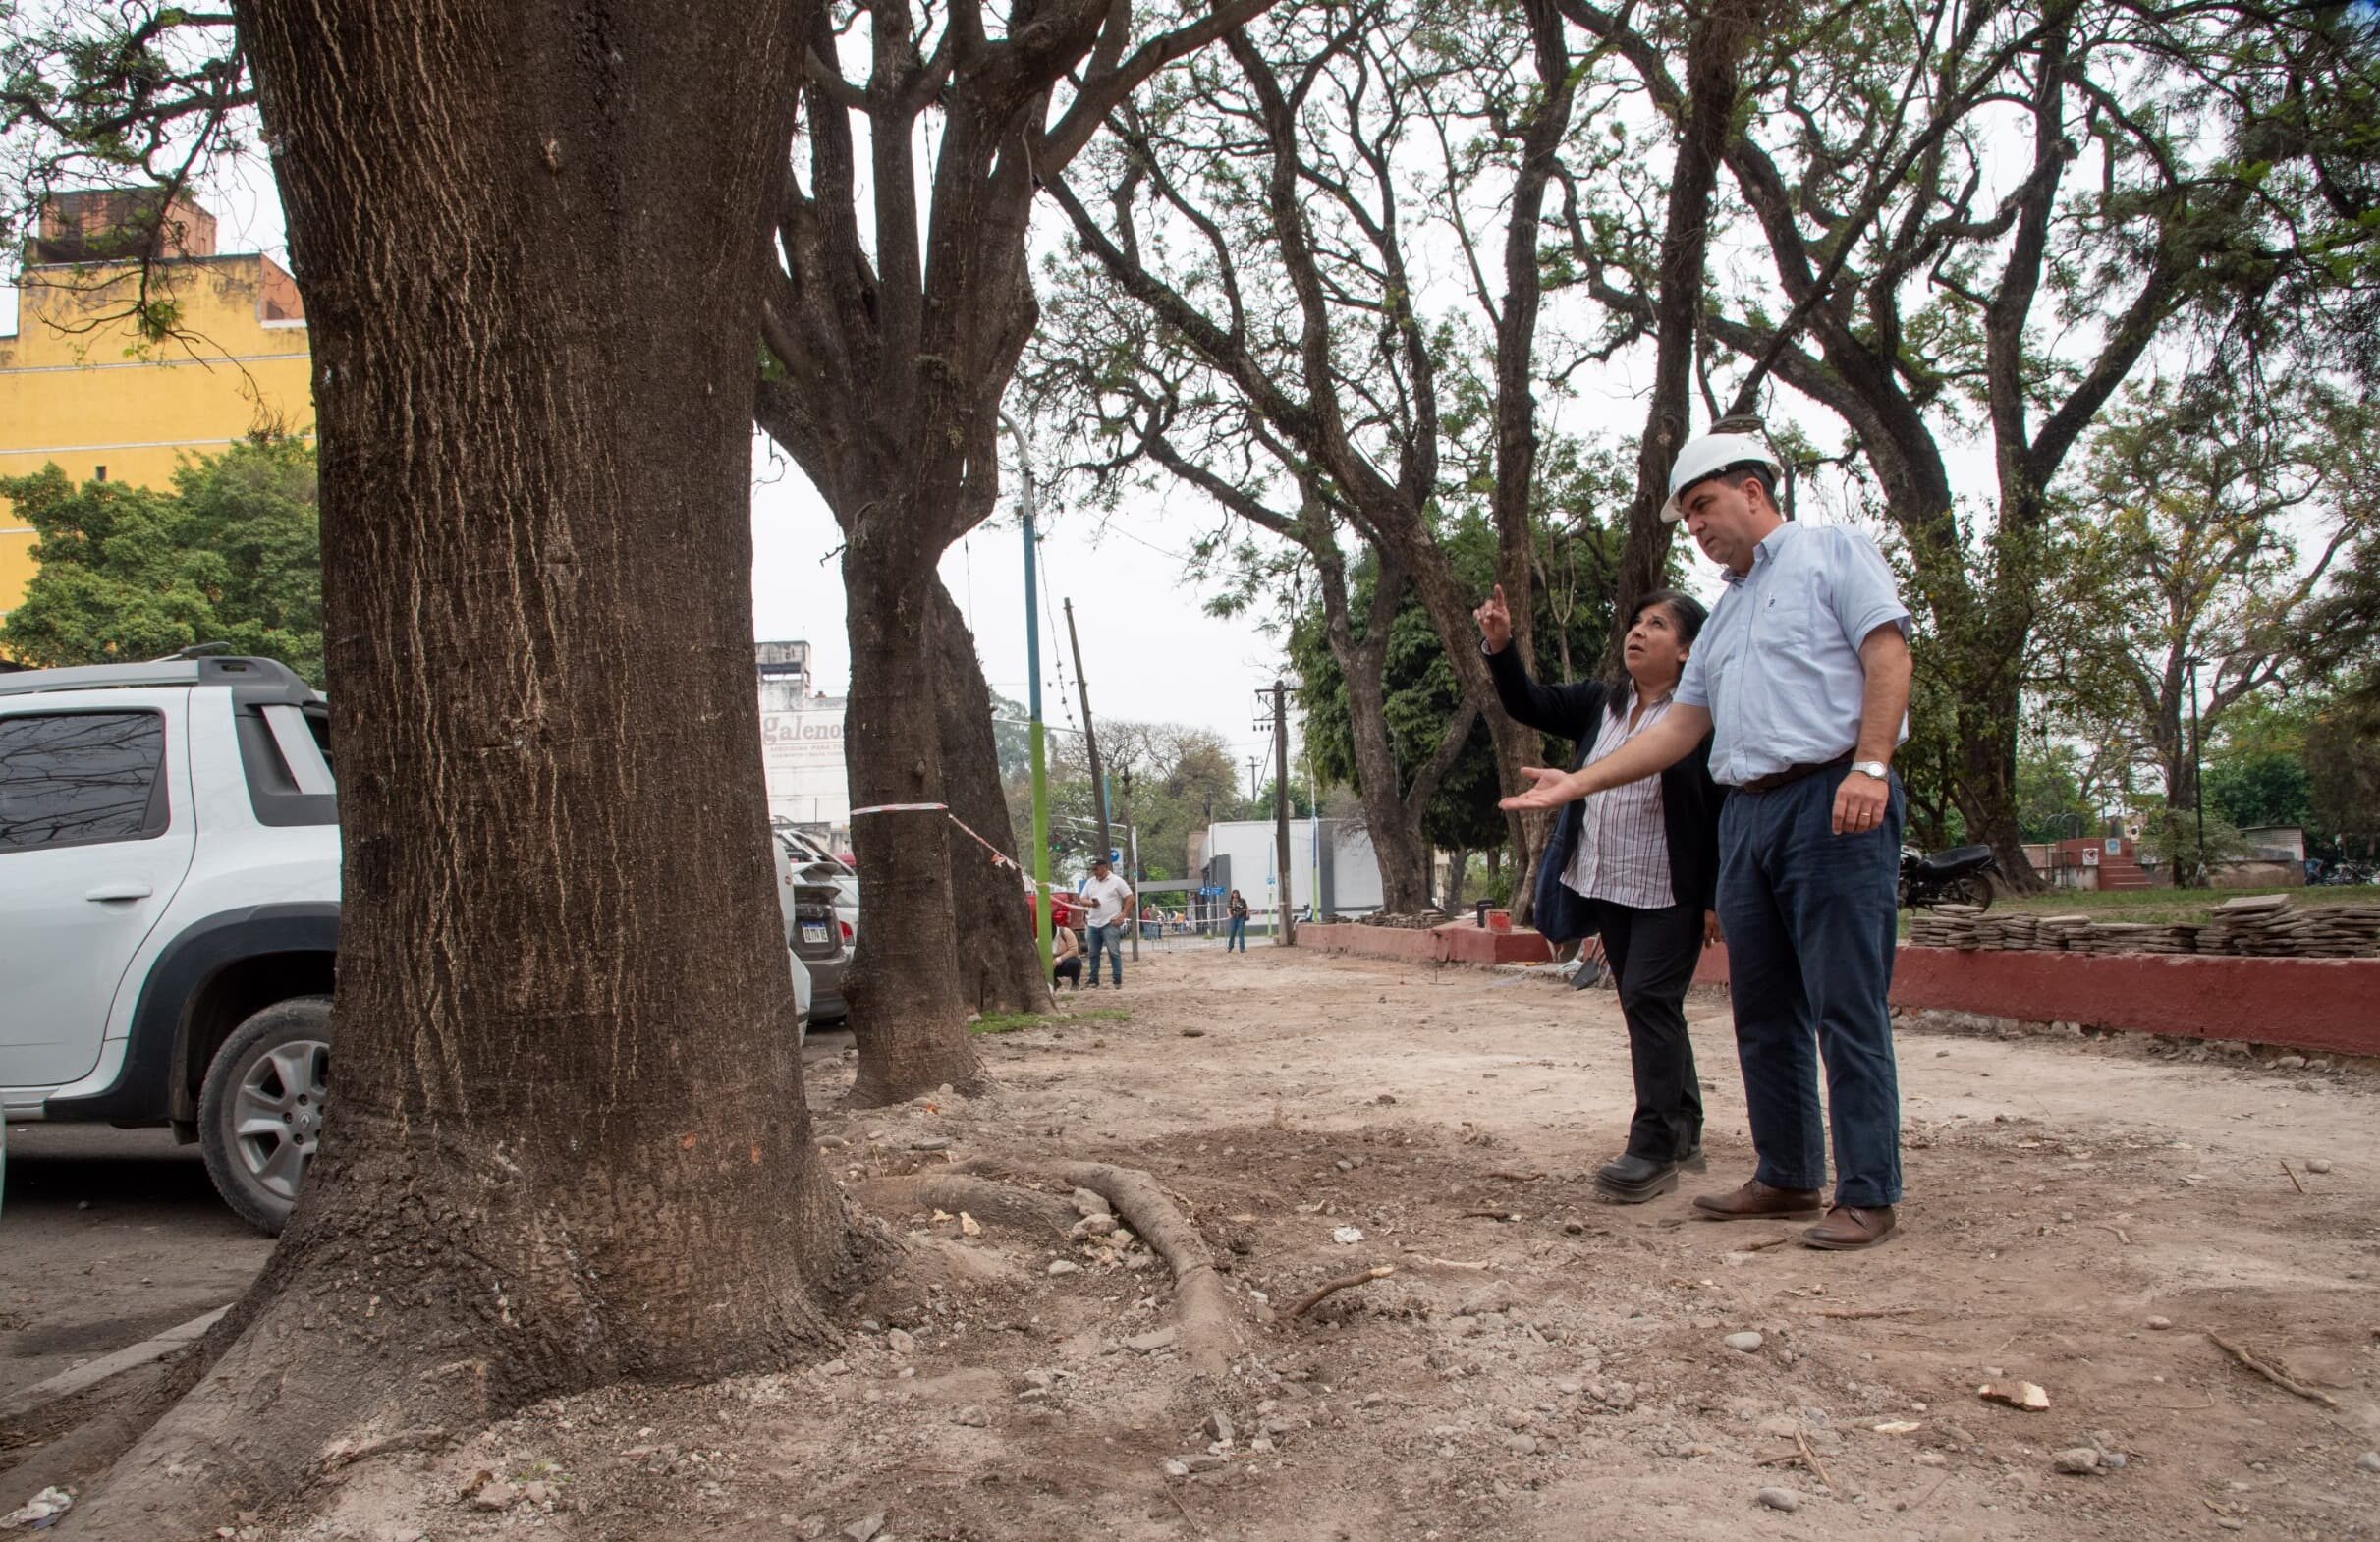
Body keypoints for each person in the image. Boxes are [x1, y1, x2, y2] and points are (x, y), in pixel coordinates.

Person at [1501, 429, 1914, 1251]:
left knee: (1844, 1003)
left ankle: (1866, 1190)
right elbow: (1681, 726)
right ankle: (1789, 1175)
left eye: (1702, 506)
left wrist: (1870, 765)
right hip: (1746, 816)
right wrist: (1576, 782)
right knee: (1761, 1009)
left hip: (1832, 796)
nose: (1695, 526)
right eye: (1687, 515)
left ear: (1752, 492)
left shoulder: (1834, 553)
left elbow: (1887, 652)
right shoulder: (1723, 616)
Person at [1475, 582, 1725, 1204]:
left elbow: (1720, 806)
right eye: (1636, 621)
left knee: (1648, 998)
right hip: (1610, 880)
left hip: (1673, 886)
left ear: (1689, 649)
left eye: (1658, 624)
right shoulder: (1601, 704)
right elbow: (1527, 702)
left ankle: (1653, 1148)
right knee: (1649, 1002)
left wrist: (1717, 894)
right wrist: (1500, 646)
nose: (1638, 632)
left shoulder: (1704, 716)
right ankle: (1685, 1122)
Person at [1078, 856, 1134, 989]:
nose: (1094, 872)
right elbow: (1082, 898)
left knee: (1113, 952)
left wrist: (1123, 915)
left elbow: (1130, 898)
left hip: (1110, 923)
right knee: (1093, 953)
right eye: (1092, 870)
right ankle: (1093, 980)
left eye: (1096, 869)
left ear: (1104, 867)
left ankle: (1117, 980)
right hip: (1093, 924)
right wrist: (1092, 903)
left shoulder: (1117, 881)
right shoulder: (1091, 882)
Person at [1051, 921, 1083, 989]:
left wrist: (1058, 959)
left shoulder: (1065, 932)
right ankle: (1054, 982)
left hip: (1065, 961)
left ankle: (1075, 982)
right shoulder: (1040, 938)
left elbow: (1074, 950)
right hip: (1051, 964)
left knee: (1074, 963)